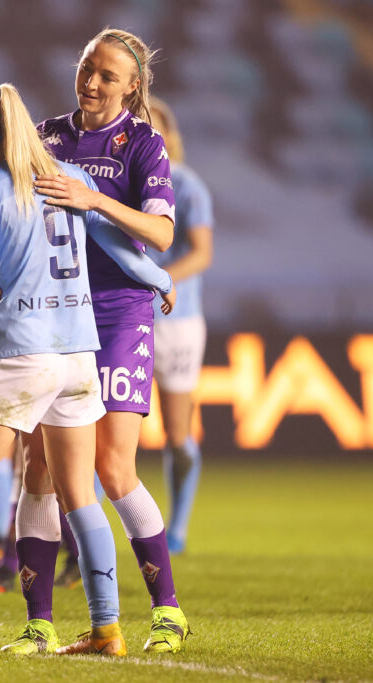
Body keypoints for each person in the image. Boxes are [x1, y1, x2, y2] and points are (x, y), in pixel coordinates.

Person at [0, 84, 175, 658]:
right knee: (79, 495)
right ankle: (105, 630)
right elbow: (118, 247)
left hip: (18, 351)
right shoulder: (69, 176)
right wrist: (161, 281)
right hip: (76, 356)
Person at [6, 28, 190, 655]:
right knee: (39, 467)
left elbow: (161, 234)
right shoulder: (45, 135)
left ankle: (166, 612)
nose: (91, 82)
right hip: (54, 312)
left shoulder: (143, 143)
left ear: (132, 86)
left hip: (117, 311)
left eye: (107, 75)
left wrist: (94, 199)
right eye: (87, 67)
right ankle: (39, 624)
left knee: (112, 466)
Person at [147, 101, 214, 555]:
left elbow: (201, 253)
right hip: (125, 317)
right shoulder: (122, 183)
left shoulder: (187, 186)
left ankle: (179, 526)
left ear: (170, 137)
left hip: (177, 320)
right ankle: (84, 537)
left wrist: (161, 279)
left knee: (176, 433)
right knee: (99, 425)